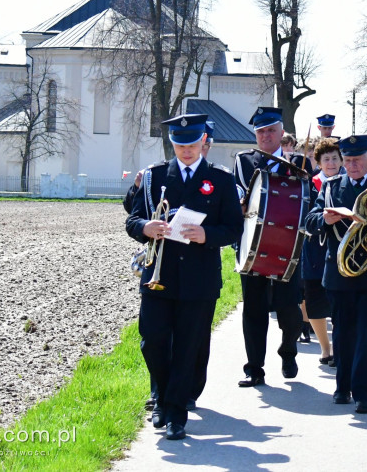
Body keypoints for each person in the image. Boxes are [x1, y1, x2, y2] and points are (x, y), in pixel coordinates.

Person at [126, 114, 244, 440]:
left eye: (192, 144)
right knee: (153, 342)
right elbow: (133, 220)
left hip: (199, 279)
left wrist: (207, 235)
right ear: (173, 144)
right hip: (158, 276)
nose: (186, 151)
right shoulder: (154, 177)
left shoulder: (219, 179)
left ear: (203, 142)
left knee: (187, 348)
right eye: (180, 144)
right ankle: (162, 397)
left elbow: (234, 227)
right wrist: (144, 228)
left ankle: (175, 413)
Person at [305, 135, 367, 414]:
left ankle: (365, 394)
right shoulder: (330, 187)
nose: (352, 165)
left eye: (358, 159)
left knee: (366, 332)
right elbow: (310, 220)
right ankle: (342, 387)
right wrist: (324, 219)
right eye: (348, 160)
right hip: (339, 272)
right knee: (343, 332)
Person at [233, 106, 313, 388]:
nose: (266, 135)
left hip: (287, 248)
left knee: (290, 310)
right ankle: (254, 368)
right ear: (255, 134)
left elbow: (309, 200)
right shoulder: (245, 161)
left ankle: (288, 351)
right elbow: (240, 193)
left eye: (271, 130)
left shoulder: (300, 163)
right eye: (261, 131)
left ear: (281, 132)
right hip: (253, 245)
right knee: (253, 310)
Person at [301, 137, 342, 365]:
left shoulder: (347, 182)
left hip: (340, 250)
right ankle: (325, 348)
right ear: (318, 162)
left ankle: (338, 345)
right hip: (315, 249)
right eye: (326, 159)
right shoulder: (309, 184)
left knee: (338, 301)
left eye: (335, 158)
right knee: (315, 301)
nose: (331, 163)